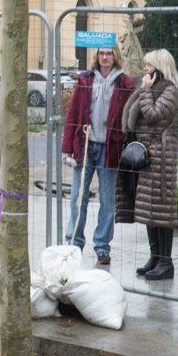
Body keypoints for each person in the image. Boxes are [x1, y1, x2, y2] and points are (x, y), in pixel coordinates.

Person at [62, 45, 137, 265]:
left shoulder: (125, 83)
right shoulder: (85, 79)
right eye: (101, 53)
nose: (105, 57)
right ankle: (73, 243)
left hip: (109, 148)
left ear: (115, 56)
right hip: (85, 147)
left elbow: (131, 116)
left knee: (107, 201)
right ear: (96, 56)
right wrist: (67, 148)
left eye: (109, 53)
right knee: (77, 198)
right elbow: (73, 114)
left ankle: (102, 246)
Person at [122, 49, 178, 281]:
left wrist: (145, 92)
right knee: (148, 207)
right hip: (148, 156)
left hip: (161, 156)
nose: (144, 70)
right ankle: (155, 257)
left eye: (148, 66)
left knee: (162, 209)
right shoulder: (150, 89)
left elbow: (153, 116)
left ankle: (166, 263)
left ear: (159, 68)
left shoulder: (171, 92)